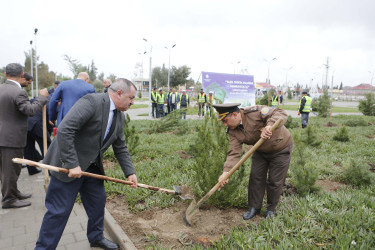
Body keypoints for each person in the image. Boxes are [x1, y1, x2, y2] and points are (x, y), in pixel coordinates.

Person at [35, 78, 138, 250]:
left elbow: (120, 147)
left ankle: (96, 237)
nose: (133, 102)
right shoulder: (92, 102)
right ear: (119, 93)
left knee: (98, 203)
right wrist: (72, 163)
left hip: (91, 166)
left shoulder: (119, 116)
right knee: (58, 212)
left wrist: (130, 172)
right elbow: (65, 129)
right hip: (67, 165)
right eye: (131, 98)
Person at [213, 103, 292, 220]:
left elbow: (281, 113)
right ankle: (254, 207)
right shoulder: (232, 131)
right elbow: (234, 153)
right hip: (260, 150)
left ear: (235, 114)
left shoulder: (254, 113)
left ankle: (270, 209)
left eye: (226, 120)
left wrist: (269, 126)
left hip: (280, 148)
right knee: (256, 177)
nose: (225, 124)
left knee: (275, 181)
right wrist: (226, 172)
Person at [0, 63, 49, 209]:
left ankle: (13, 192)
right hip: (12, 138)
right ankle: (9, 199)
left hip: (3, 136)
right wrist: (41, 98)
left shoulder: (2, 88)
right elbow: (30, 110)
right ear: (22, 75)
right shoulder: (18, 92)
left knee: (5, 169)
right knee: (11, 170)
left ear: (5, 74)